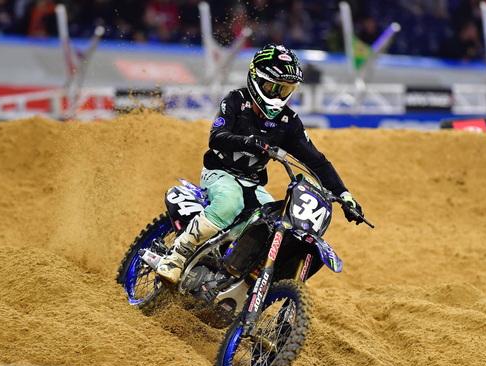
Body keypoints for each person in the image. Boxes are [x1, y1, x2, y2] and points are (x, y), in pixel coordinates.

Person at [156, 44, 364, 284]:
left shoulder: (288, 121)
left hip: (252, 183)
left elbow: (317, 161)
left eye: (285, 89)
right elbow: (216, 137)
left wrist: (344, 195)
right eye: (273, 87)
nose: (278, 95)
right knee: (229, 204)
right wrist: (249, 142)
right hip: (220, 172)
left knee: (274, 223)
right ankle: (176, 256)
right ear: (257, 79)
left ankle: (233, 275)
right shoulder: (236, 100)